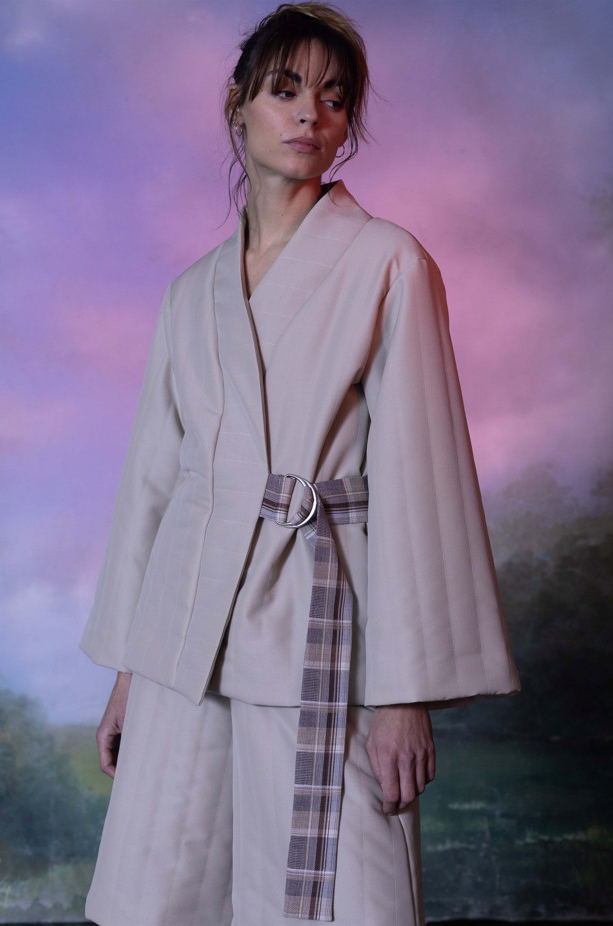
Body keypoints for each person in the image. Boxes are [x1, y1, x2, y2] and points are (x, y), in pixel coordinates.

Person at [80, 3, 520, 925]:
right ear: (237, 104)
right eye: (285, 90)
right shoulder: (189, 295)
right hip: (184, 641)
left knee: (333, 898)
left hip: (317, 626)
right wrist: (129, 671)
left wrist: (402, 694)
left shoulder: (388, 262)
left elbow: (422, 481)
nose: (309, 114)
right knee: (171, 890)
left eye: (333, 97)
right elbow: (154, 485)